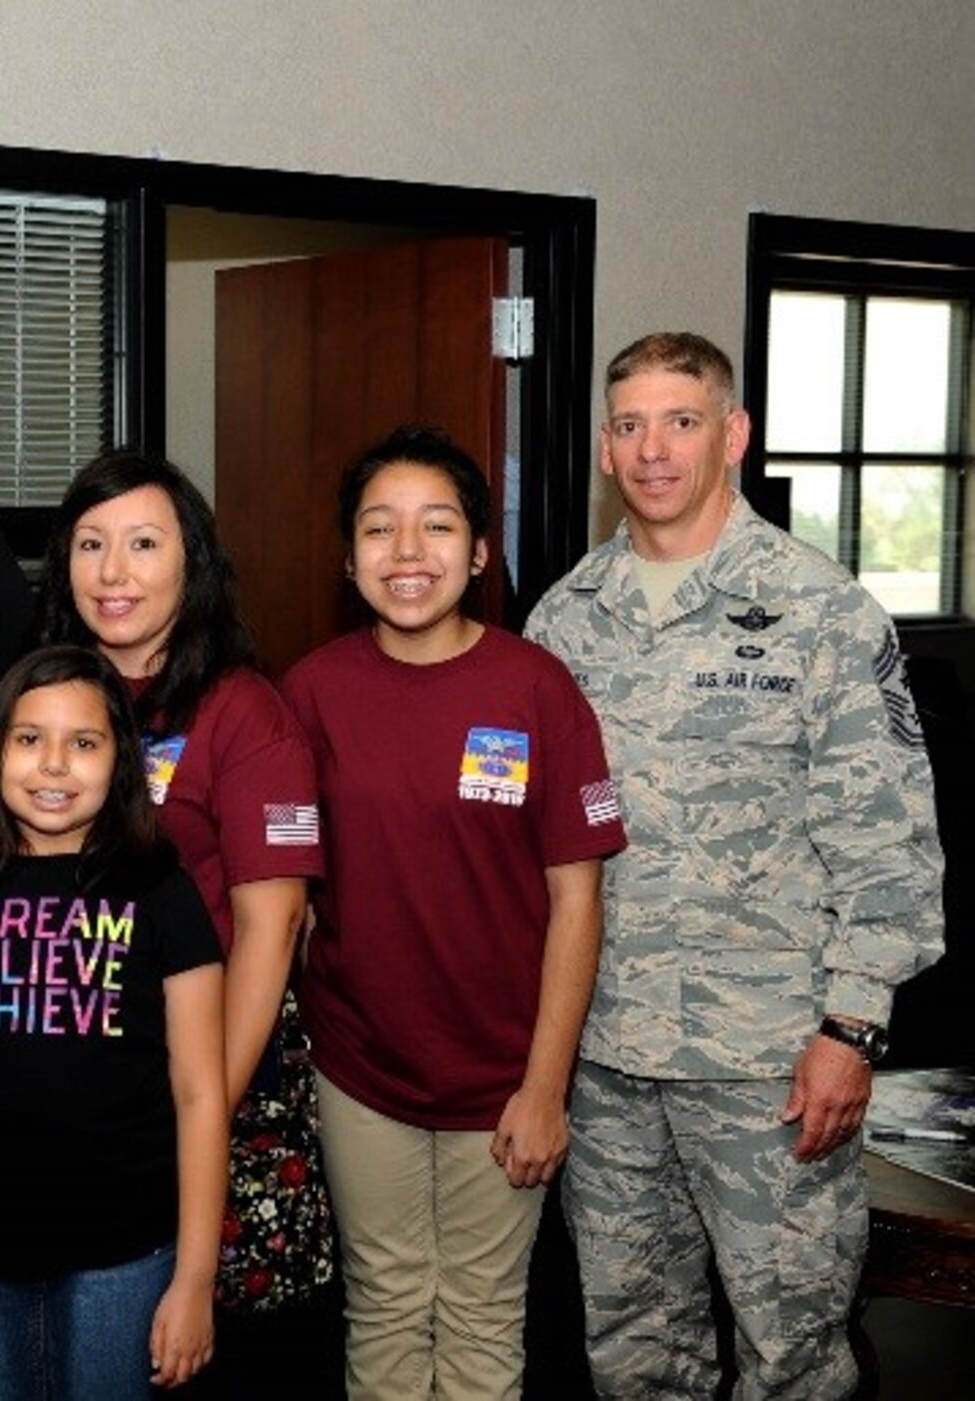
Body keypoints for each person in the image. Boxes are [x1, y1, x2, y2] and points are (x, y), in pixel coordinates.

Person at [525, 333, 945, 1398]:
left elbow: (887, 842)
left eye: (679, 422)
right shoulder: (563, 620)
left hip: (768, 1062)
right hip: (606, 1055)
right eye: (628, 426)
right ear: (604, 450)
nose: (652, 450)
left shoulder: (818, 611)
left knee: (791, 1350)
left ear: (732, 435)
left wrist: (850, 1029)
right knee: (630, 1348)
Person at [279, 426, 626, 1399]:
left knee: (479, 1320)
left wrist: (543, 1088)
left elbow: (575, 897)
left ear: (477, 551)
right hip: (360, 1068)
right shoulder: (309, 692)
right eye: (378, 529)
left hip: (502, 1074)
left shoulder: (534, 688)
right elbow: (287, 898)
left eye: (435, 527)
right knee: (382, 1308)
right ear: (347, 558)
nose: (406, 552)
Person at [36, 450, 331, 1382]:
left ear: (191, 562)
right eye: (90, 544)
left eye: (143, 543)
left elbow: (274, 926)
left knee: (211, 1346)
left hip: (216, 1062)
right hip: (82, 1062)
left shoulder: (244, 712)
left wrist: (201, 1109)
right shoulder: (45, 696)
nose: (113, 572)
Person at [0, 644, 228, 1398]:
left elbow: (201, 1090)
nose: (54, 765)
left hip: (123, 1255)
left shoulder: (161, 889)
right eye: (30, 739)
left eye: (85, 742)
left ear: (120, 760)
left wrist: (196, 1275)